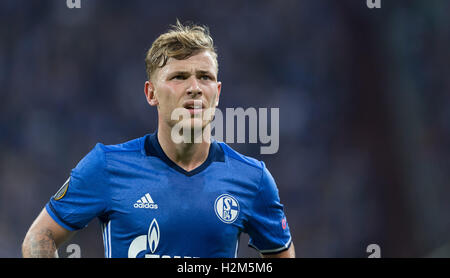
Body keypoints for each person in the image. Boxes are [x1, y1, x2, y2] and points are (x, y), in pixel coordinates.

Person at [22, 21, 295, 258]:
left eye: (205, 77)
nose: (195, 88)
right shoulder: (106, 166)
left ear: (218, 92)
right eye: (179, 77)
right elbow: (39, 236)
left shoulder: (252, 178)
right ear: (151, 93)